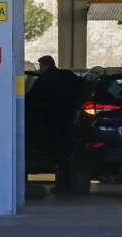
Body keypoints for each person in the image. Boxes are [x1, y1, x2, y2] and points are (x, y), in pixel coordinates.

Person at [26, 55, 83, 194]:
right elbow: (82, 89)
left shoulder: (44, 80)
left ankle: (61, 184)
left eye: (41, 66)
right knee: (65, 154)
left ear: (45, 65)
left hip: (48, 123)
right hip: (67, 121)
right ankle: (65, 185)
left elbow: (30, 100)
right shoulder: (68, 76)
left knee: (53, 153)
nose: (40, 69)